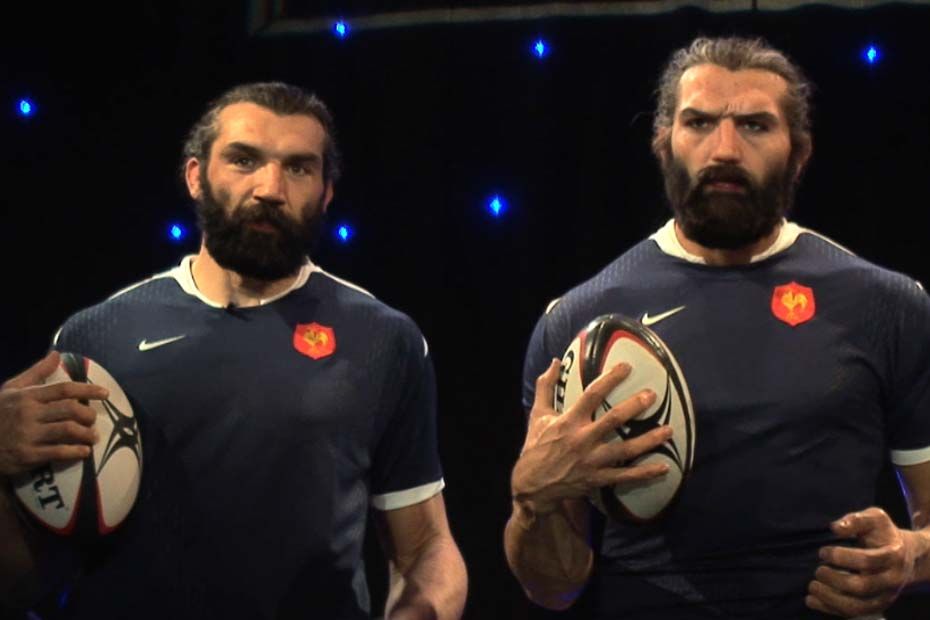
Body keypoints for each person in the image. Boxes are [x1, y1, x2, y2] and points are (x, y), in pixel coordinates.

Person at [0, 82, 467, 619]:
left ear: (326, 193)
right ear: (195, 176)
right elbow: (22, 580)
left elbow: (425, 547)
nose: (270, 188)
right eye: (244, 160)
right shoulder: (94, 337)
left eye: (299, 167)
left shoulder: (385, 339)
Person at [505, 36, 930, 619]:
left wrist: (910, 556)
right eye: (699, 122)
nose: (725, 149)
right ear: (663, 143)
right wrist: (532, 499)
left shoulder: (887, 306)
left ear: (799, 153)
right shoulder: (579, 324)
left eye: (755, 125)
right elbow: (553, 588)